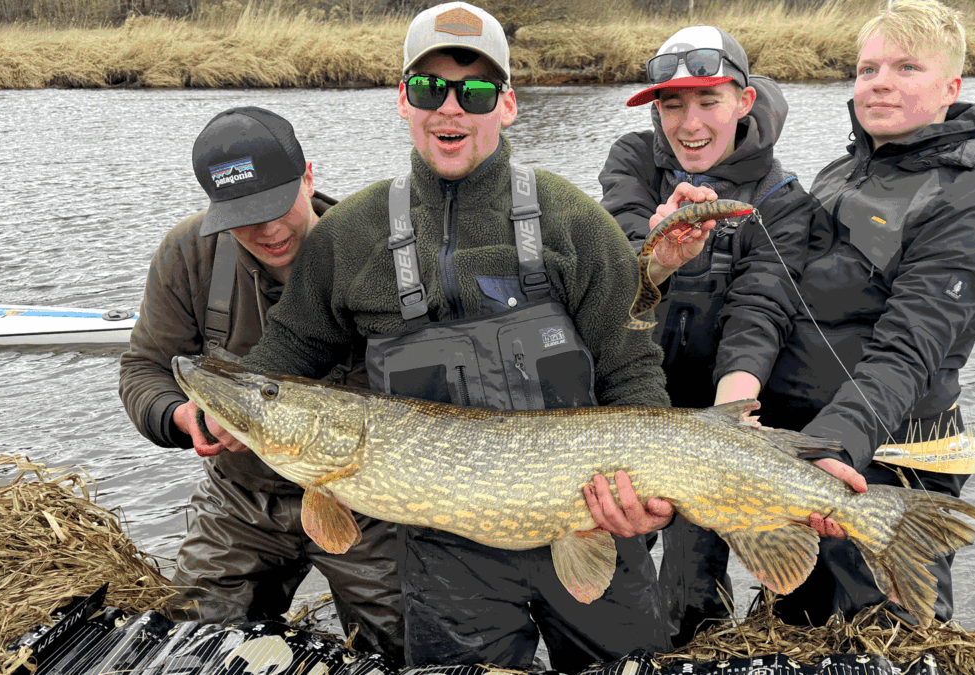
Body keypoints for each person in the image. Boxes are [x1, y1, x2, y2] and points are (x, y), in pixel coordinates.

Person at [228, 3, 672, 671]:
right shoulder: (348, 237)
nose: (451, 110)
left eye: (476, 91)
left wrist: (645, 500)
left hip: (594, 522)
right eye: (431, 88)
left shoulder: (573, 221)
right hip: (447, 558)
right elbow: (285, 356)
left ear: (509, 104)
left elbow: (633, 371)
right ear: (404, 100)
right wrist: (224, 408)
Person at [758, 0, 975, 626]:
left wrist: (833, 446)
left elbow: (910, 350)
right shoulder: (840, 172)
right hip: (803, 452)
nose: (878, 82)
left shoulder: (967, 200)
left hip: (889, 456)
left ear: (950, 88)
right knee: (803, 626)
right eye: (866, 69)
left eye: (906, 67)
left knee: (892, 634)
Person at [118, 107, 405, 664]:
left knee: (403, 646)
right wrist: (182, 418)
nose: (270, 231)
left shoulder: (377, 256)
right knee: (189, 645)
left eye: (279, 204)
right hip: (242, 499)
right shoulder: (189, 255)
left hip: (365, 501)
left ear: (309, 177)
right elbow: (144, 370)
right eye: (247, 216)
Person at [597, 25, 814, 647]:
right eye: (672, 103)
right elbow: (620, 249)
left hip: (713, 414)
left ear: (744, 101)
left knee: (691, 602)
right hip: (626, 410)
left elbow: (761, 308)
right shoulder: (633, 159)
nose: (688, 123)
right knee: (613, 592)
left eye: (707, 101)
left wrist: (732, 414)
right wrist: (659, 255)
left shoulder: (783, 199)